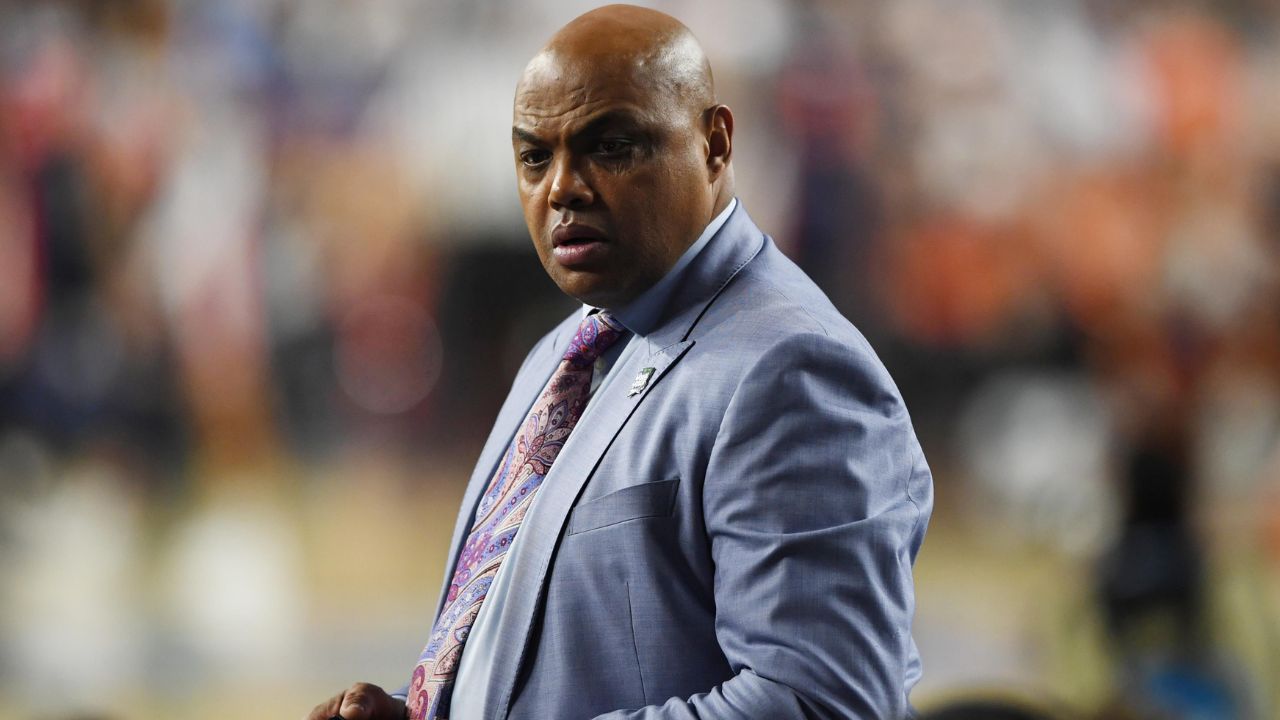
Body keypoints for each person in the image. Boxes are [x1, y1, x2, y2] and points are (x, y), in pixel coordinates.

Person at [305, 5, 932, 719]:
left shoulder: (791, 370)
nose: (562, 188)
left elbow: (822, 703)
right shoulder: (565, 350)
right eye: (535, 156)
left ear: (715, 144)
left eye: (611, 147)